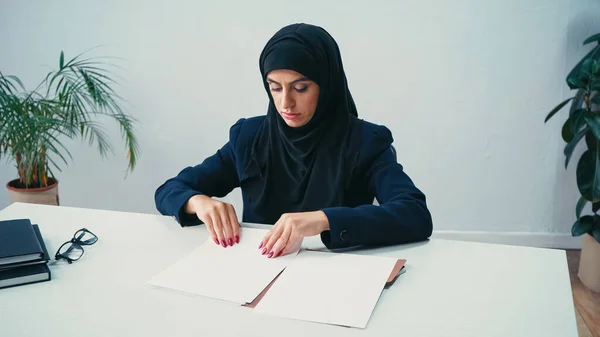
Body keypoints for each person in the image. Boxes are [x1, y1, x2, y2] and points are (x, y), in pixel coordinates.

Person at [154, 23, 433, 258]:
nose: (285, 102)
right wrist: (200, 202)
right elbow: (169, 190)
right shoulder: (249, 138)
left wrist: (322, 219)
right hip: (257, 272)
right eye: (274, 88)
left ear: (327, 85)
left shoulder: (366, 142)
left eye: (300, 88)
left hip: (336, 277)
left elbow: (415, 213)